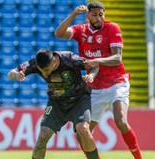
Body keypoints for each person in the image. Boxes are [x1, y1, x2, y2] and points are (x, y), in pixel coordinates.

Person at [54, 1, 142, 159]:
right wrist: (74, 14)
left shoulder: (112, 28)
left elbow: (117, 58)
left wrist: (98, 61)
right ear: (87, 16)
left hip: (116, 82)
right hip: (94, 87)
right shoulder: (81, 30)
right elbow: (59, 33)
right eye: (94, 15)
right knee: (81, 133)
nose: (98, 18)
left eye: (101, 14)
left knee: (121, 121)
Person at [8, 49, 100, 159]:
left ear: (55, 61)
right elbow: (11, 73)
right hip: (56, 103)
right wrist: (17, 75)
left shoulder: (69, 59)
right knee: (43, 136)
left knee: (83, 129)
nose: (45, 73)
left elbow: (95, 65)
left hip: (79, 99)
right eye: (42, 71)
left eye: (47, 69)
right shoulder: (35, 63)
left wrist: (92, 76)